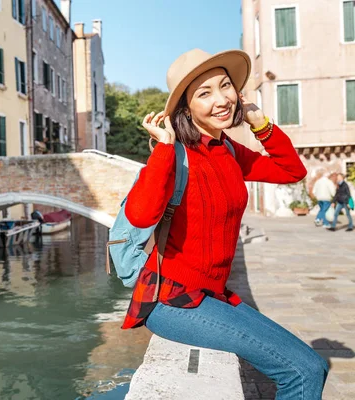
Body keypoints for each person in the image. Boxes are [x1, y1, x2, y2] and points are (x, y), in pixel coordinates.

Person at [122, 49, 328, 399]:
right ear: (185, 109)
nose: (222, 100)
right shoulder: (175, 155)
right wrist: (163, 149)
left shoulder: (229, 151)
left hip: (213, 296)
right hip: (173, 302)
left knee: (315, 365)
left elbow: (292, 171)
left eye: (225, 86)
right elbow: (139, 215)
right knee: (302, 370)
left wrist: (259, 122)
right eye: (204, 93)